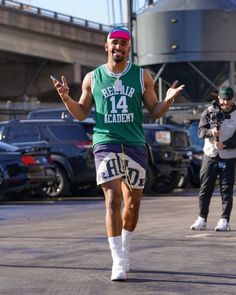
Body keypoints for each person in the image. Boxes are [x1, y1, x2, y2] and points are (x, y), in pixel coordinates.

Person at [51, 27, 185, 281]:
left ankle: (125, 248)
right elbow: (81, 113)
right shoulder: (93, 78)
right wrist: (66, 98)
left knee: (132, 204)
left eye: (123, 44)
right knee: (112, 198)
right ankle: (118, 261)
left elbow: (155, 111)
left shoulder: (142, 76)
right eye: (114, 43)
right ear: (106, 46)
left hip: (134, 143)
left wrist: (167, 100)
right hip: (106, 143)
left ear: (128, 49)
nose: (118, 48)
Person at [191, 86, 236, 232]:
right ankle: (202, 218)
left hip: (228, 157)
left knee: (226, 189)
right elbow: (200, 131)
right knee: (205, 188)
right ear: (219, 98)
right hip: (210, 155)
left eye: (229, 99)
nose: (226, 102)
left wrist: (226, 144)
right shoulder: (209, 111)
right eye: (223, 99)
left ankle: (224, 220)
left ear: (233, 98)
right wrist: (211, 132)